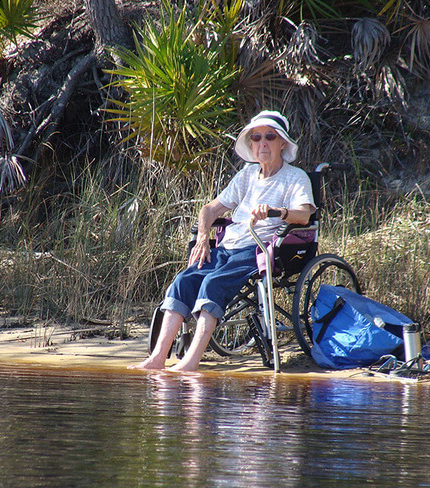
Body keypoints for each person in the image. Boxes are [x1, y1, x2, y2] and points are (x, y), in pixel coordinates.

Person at [129, 110, 316, 372]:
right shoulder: (247, 175)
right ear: (251, 144)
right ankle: (158, 357)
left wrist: (278, 212)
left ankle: (191, 361)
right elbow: (209, 210)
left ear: (282, 142)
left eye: (270, 136)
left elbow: (305, 214)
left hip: (261, 248)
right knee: (184, 280)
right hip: (227, 246)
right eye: (257, 137)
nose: (263, 142)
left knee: (212, 282)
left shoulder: (295, 178)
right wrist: (203, 238)